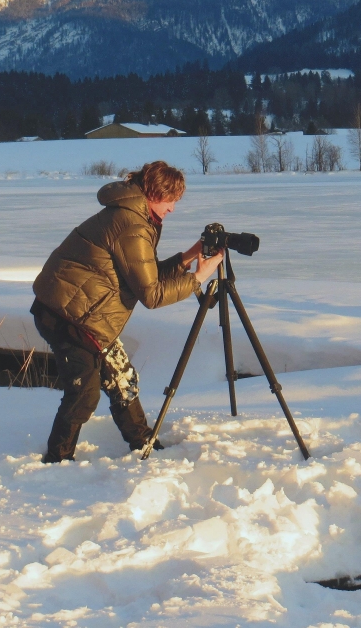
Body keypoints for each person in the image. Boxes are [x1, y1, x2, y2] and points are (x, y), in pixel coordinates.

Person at [30, 160, 224, 462]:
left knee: (122, 378)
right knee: (84, 393)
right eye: (171, 200)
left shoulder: (133, 216)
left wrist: (189, 257)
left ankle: (143, 443)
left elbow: (142, 276)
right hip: (67, 315)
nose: (173, 208)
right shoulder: (132, 224)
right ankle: (57, 460)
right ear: (155, 193)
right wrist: (198, 278)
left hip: (86, 313)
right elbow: (151, 294)